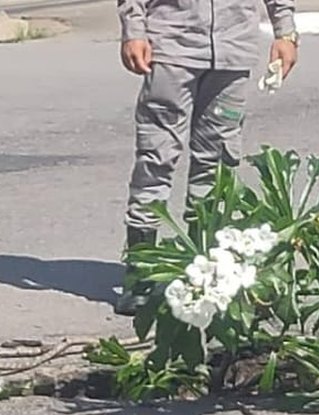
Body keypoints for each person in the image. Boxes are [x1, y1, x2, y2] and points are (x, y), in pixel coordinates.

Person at [113, 0, 299, 316]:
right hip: (171, 47)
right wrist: (134, 30)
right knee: (156, 159)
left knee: (217, 163)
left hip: (233, 50)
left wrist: (286, 32)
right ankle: (140, 272)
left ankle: (204, 269)